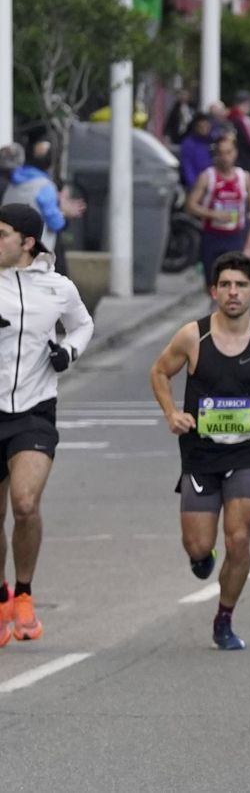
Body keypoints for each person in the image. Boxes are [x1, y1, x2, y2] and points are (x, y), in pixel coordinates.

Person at [149, 253, 250, 650]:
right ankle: (203, 555)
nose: (233, 293)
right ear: (214, 291)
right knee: (199, 547)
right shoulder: (192, 336)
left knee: (239, 539)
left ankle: (224, 617)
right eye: (226, 285)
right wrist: (172, 412)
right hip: (200, 453)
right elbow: (160, 371)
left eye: (241, 286)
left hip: (247, 453)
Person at [0, 204, 92, 646]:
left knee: (24, 503)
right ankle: (0, 597)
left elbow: (83, 325)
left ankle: (23, 593)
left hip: (34, 411)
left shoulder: (58, 287)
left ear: (27, 242)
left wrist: (67, 352)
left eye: (1, 234)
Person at [187, 133, 250, 281]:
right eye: (221, 153)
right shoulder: (207, 177)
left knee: (232, 279)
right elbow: (191, 206)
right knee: (212, 281)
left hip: (235, 236)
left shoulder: (244, 177)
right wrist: (214, 214)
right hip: (212, 237)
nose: (225, 157)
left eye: (228, 152)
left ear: (235, 153)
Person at [4, 136, 84, 258]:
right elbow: (56, 223)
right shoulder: (45, 187)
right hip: (35, 253)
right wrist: (65, 213)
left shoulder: (11, 184)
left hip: (9, 252)